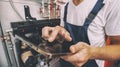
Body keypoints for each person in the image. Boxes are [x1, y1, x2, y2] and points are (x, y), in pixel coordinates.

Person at [42, 0, 120, 67]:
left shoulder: (110, 3)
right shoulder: (66, 4)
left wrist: (92, 53)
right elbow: (65, 33)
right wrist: (59, 34)